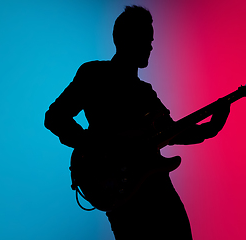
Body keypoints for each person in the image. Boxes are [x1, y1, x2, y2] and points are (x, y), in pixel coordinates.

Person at [44, 5, 230, 240]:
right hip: (120, 189)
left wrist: (211, 128)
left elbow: (173, 133)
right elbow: (55, 117)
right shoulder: (94, 74)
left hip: (156, 187)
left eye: (151, 39)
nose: (151, 46)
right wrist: (97, 144)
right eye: (145, 38)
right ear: (124, 39)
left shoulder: (146, 94)